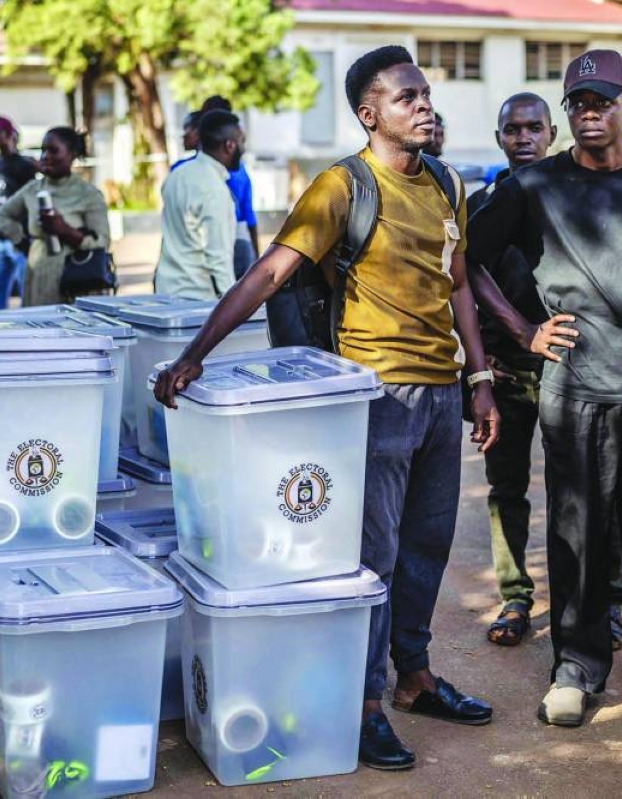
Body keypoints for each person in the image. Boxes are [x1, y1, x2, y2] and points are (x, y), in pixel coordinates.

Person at [154, 45, 499, 771]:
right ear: (369, 113)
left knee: (426, 547)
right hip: (374, 397)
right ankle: (364, 702)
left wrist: (480, 378)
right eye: (408, 97)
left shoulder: (446, 182)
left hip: (441, 396)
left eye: (427, 94)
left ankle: (414, 677)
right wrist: (196, 352)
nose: (424, 105)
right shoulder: (341, 186)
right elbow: (271, 270)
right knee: (370, 558)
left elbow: (459, 284)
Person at [467, 49, 622, 732]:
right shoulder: (533, 186)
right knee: (576, 534)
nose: (587, 114)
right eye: (577, 103)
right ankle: (575, 669)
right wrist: (522, 329)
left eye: (601, 101)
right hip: (572, 390)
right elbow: (465, 259)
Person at [467, 93, 555, 648]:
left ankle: (603, 600)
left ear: (552, 135)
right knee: (506, 489)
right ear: (499, 137)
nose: (522, 138)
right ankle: (516, 597)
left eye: (533, 129)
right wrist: (477, 369)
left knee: (589, 490)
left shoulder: (577, 197)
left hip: (572, 371)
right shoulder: (484, 202)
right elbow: (458, 281)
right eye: (512, 130)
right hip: (503, 371)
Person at [0, 126, 109, 307]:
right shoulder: (33, 189)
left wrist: (65, 231)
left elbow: (102, 240)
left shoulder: (88, 194)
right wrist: (24, 243)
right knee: (38, 329)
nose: (45, 156)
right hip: (38, 277)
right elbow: (3, 215)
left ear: (71, 154)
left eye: (53, 150)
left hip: (77, 283)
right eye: (43, 150)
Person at [153, 110, 240, 299]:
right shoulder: (214, 190)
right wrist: (233, 305)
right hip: (198, 298)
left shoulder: (176, 176)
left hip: (166, 290)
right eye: (241, 142)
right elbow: (218, 257)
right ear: (230, 145)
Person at [0, 115, 37, 309]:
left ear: (8, 135)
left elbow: (33, 199)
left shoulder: (24, 165)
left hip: (19, 239)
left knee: (26, 290)